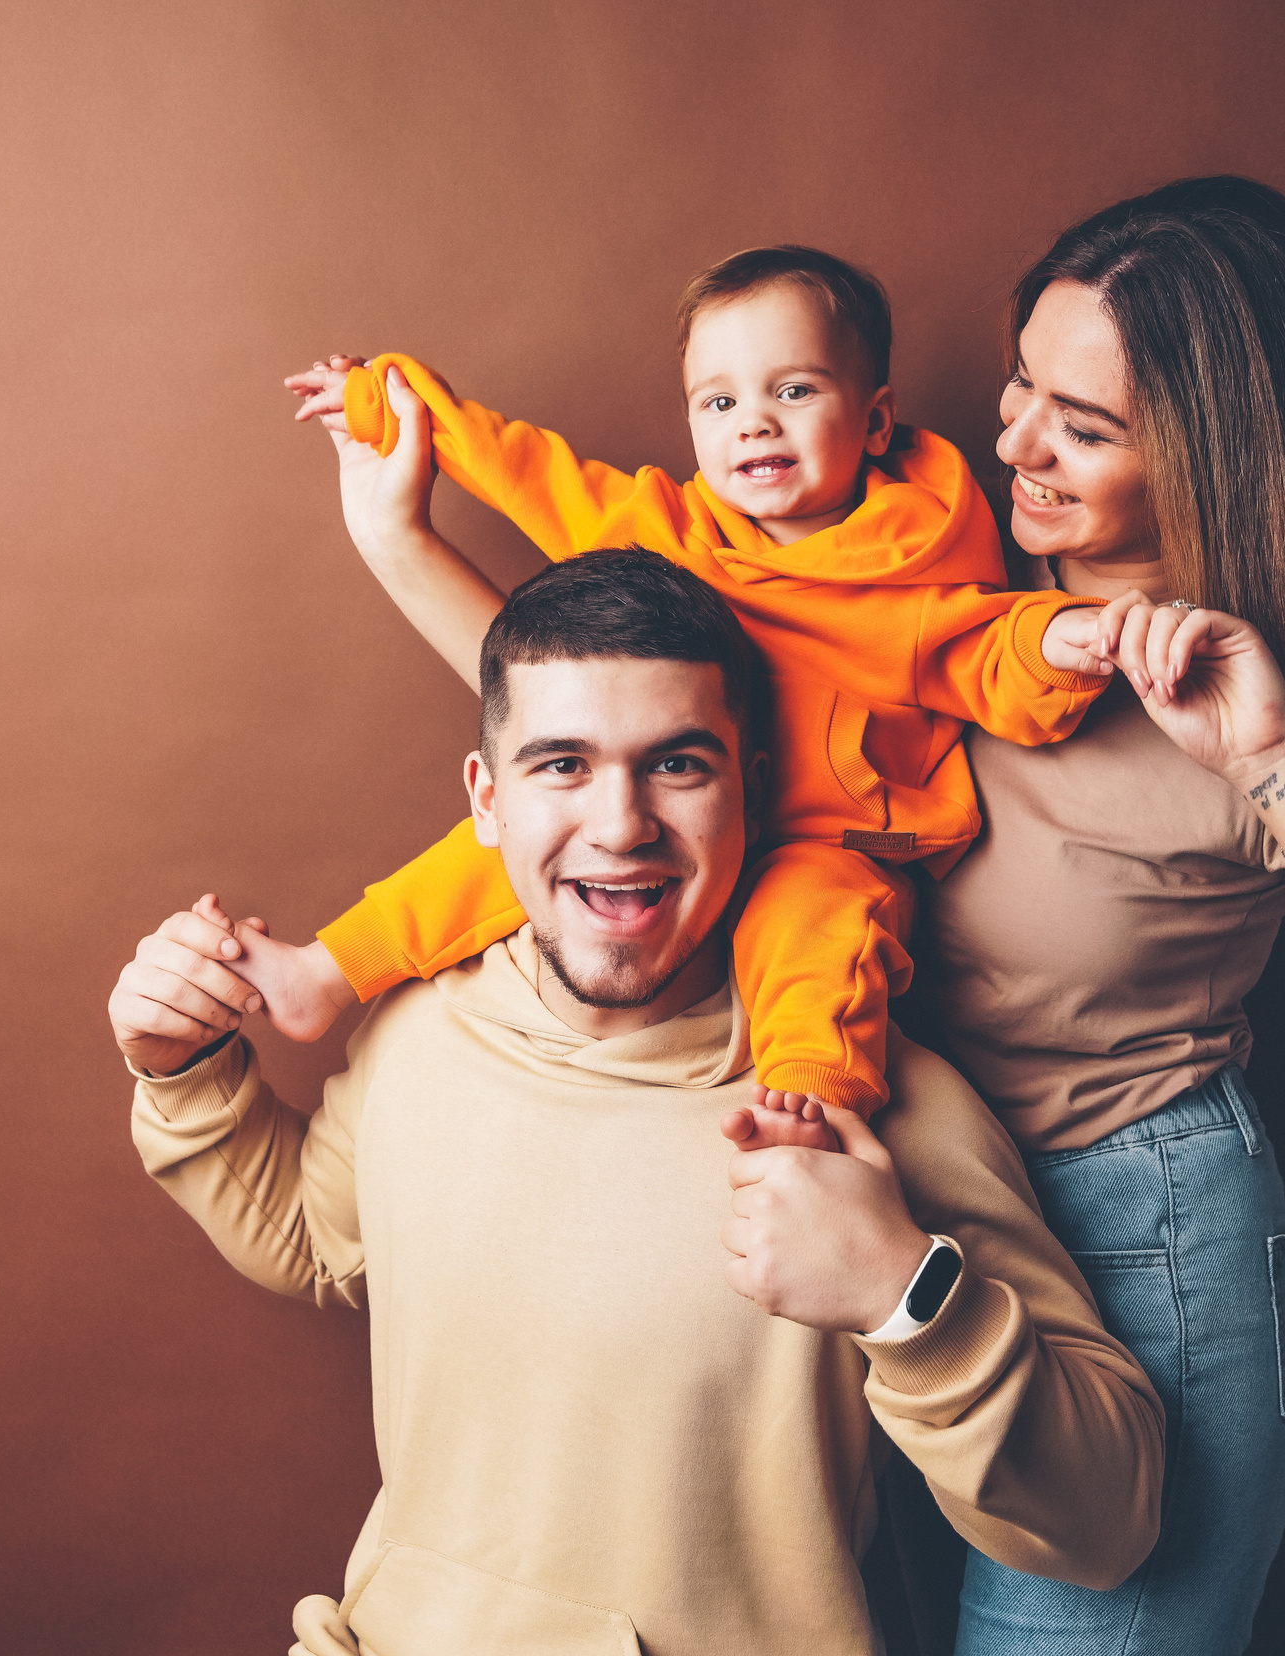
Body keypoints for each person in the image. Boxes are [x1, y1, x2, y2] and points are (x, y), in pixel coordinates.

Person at [284, 180, 1285, 1656]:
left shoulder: (1276, 686)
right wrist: (400, 537)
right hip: (881, 1220)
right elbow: (629, 735)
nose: (1016, 437)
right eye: (1025, 382)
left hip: (1135, 1244)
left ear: (1218, 451)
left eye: (1083, 426)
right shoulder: (930, 568)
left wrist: (1277, 755)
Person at [93, 548, 1165, 1656]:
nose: (623, 824)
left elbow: (1110, 1526)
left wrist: (906, 1298)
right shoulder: (421, 1032)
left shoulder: (871, 1108)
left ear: (747, 786)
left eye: (677, 766)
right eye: (564, 765)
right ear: (487, 799)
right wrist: (189, 1069)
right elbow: (317, 1238)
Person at [227, 245, 1135, 1126]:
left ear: (874, 419)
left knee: (816, 935)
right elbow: (532, 472)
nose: (754, 422)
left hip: (829, 831)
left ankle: (813, 1106)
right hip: (676, 811)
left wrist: (1072, 637)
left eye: (794, 390)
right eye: (719, 400)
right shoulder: (670, 528)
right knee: (508, 843)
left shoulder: (918, 554)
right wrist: (382, 403)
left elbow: (985, 646)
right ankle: (323, 976)